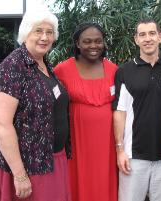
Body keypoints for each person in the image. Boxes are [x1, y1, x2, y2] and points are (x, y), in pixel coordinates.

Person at [0, 6, 71, 201]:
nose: (44, 37)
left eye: (49, 32)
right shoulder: (13, 66)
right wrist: (20, 175)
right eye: (38, 31)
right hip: (29, 166)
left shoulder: (43, 64)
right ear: (26, 33)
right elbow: (1, 124)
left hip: (51, 159)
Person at [113, 19, 161, 201]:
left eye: (152, 33)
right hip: (133, 156)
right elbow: (120, 112)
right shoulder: (124, 71)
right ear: (136, 40)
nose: (147, 39)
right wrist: (120, 150)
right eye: (142, 34)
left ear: (160, 37)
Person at [54, 22, 118, 201]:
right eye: (87, 41)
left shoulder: (114, 69)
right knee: (78, 182)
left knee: (104, 181)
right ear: (77, 43)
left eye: (98, 41)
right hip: (76, 140)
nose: (93, 46)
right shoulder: (62, 70)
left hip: (107, 142)